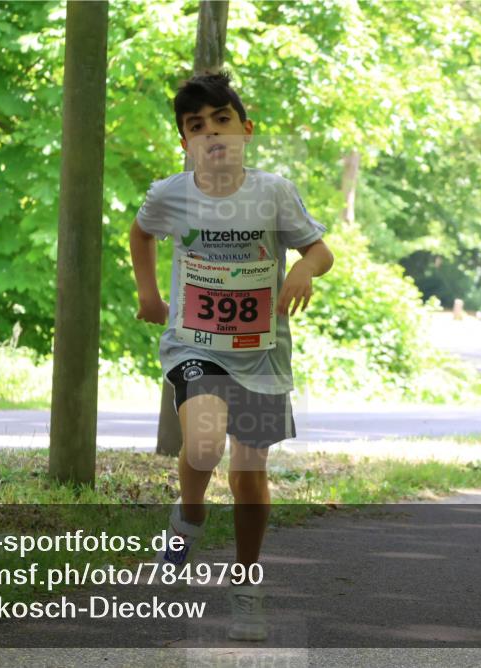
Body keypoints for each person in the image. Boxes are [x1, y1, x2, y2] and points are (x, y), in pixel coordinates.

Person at [129, 72, 335, 637]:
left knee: (249, 472)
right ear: (184, 143)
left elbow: (320, 250)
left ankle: (246, 584)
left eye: (222, 120)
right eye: (196, 126)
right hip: (194, 344)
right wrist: (149, 295)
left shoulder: (273, 191)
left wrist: (301, 268)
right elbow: (141, 232)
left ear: (245, 130)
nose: (211, 133)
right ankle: (190, 514)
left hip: (262, 352)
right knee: (203, 439)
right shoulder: (171, 193)